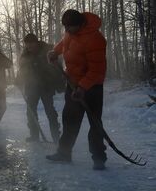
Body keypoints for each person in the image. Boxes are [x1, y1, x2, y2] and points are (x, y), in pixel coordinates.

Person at [46, 9, 107, 170]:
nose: (67, 30)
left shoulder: (95, 39)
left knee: (94, 123)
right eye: (65, 27)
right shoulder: (70, 32)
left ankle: (98, 157)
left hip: (92, 87)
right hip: (72, 83)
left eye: (70, 27)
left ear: (79, 24)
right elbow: (66, 42)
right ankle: (64, 153)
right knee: (70, 120)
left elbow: (97, 70)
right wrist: (55, 52)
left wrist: (83, 87)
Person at [15, 33, 63, 143]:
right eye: (27, 45)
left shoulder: (47, 51)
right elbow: (22, 69)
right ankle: (34, 135)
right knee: (30, 111)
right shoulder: (25, 55)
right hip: (31, 86)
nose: (29, 47)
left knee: (50, 111)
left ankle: (56, 136)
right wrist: (18, 79)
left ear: (36, 42)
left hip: (46, 86)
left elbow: (57, 66)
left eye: (31, 44)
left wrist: (58, 81)